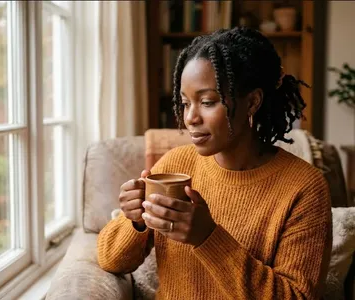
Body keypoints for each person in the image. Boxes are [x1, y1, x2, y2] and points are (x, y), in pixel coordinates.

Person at [97, 27, 332, 300]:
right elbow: (110, 260)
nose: (190, 118)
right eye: (185, 103)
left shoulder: (305, 187)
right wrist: (135, 220)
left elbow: (296, 297)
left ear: (253, 101)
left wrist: (208, 238)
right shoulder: (176, 165)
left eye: (207, 102)